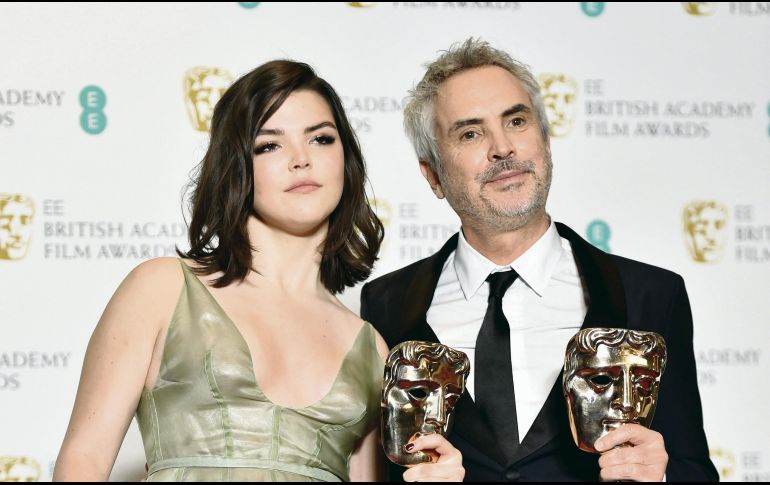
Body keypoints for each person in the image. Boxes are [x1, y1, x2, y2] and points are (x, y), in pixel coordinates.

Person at [54, 60, 464, 482]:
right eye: (269, 145)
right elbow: (83, 459)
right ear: (237, 167)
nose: (301, 160)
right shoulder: (162, 289)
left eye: (321, 138)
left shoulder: (370, 350)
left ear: (346, 159)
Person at [360, 39, 718, 482]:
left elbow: (692, 468)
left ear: (545, 141)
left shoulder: (651, 296)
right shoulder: (387, 306)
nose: (502, 147)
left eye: (516, 120)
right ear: (433, 175)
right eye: (470, 133)